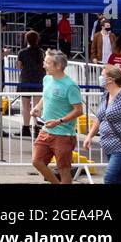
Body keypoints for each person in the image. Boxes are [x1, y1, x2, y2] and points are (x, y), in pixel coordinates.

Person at [32, 50, 84, 184]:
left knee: (64, 169)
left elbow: (79, 110)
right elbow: (45, 96)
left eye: (47, 63)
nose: (44, 65)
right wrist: (38, 107)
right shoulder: (47, 79)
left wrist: (59, 121)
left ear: (58, 66)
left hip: (64, 134)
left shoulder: (70, 86)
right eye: (45, 62)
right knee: (37, 161)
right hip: (46, 130)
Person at [17, 30, 45, 136]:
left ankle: (25, 128)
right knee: (37, 105)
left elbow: (19, 66)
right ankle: (37, 127)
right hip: (38, 79)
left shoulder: (22, 52)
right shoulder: (41, 52)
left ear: (26, 40)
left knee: (25, 106)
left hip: (25, 79)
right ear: (37, 40)